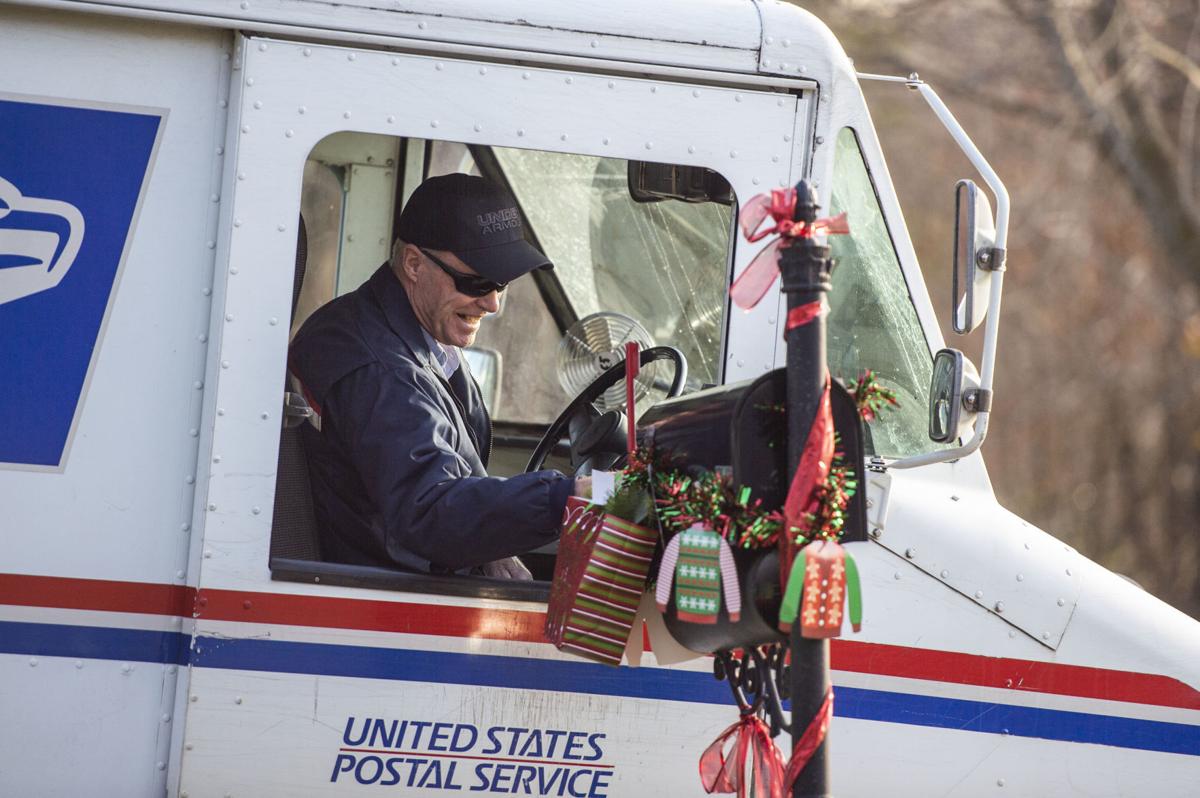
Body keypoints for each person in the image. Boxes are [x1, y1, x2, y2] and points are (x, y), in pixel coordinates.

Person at [288, 173, 578, 578]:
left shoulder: (414, 338)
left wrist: (493, 546)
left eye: (502, 283)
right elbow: (429, 511)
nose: (492, 303)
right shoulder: (379, 368)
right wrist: (566, 497)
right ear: (413, 264)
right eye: (475, 281)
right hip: (387, 599)